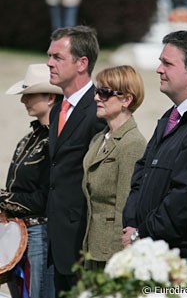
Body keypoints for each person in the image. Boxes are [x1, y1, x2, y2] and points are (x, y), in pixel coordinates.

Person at [122, 30, 187, 259]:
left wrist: (142, 233)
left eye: (167, 63)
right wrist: (131, 224)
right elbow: (140, 176)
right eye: (159, 62)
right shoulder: (170, 116)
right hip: (147, 247)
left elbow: (184, 195)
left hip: (177, 255)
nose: (158, 69)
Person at [46, 25, 106, 296]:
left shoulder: (98, 111)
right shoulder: (59, 107)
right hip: (54, 239)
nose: (49, 63)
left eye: (58, 57)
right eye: (50, 56)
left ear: (82, 63)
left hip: (82, 242)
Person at [0, 63, 63, 298]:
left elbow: (46, 196)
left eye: (29, 94)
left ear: (49, 97)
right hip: (18, 233)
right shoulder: (29, 138)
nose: (23, 100)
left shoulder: (57, 140)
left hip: (39, 233)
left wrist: (3, 199)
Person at [82, 65, 147, 269]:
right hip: (92, 248)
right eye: (96, 91)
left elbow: (125, 209)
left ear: (126, 100)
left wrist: (119, 259)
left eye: (104, 93)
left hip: (112, 254)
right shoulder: (98, 139)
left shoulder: (132, 143)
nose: (96, 98)